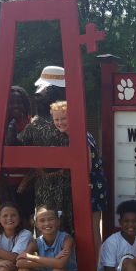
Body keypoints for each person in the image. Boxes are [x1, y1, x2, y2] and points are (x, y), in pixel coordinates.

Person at [8, 70, 73, 235]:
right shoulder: (36, 122)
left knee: (67, 216)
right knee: (45, 216)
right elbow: (22, 144)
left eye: (46, 89)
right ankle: (46, 250)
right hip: (42, 182)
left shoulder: (68, 121)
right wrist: (13, 140)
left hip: (65, 181)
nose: (39, 93)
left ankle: (68, 251)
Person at [49, 100, 109, 257]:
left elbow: (86, 167)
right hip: (83, 183)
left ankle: (97, 266)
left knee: (92, 227)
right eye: (56, 119)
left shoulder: (81, 135)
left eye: (64, 118)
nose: (60, 122)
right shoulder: (69, 135)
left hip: (92, 184)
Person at [0, 86, 35, 225]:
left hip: (28, 182)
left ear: (25, 104)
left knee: (27, 220)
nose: (16, 105)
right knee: (9, 221)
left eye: (19, 102)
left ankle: (26, 247)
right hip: (6, 183)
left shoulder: (32, 123)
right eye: (11, 102)